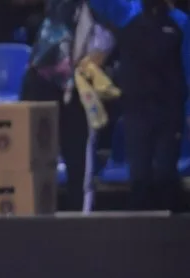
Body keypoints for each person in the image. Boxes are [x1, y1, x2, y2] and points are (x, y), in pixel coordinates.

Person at [88, 0, 190, 213]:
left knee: (165, 173)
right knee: (140, 177)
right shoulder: (128, 16)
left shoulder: (181, 23)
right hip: (137, 110)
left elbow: (187, 68)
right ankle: (138, 236)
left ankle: (173, 232)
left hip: (169, 111)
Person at [20, 0, 113, 210]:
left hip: (80, 85)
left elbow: (111, 35)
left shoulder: (101, 10)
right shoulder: (52, 14)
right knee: (34, 153)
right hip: (43, 81)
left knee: (77, 156)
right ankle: (31, 210)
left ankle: (80, 215)